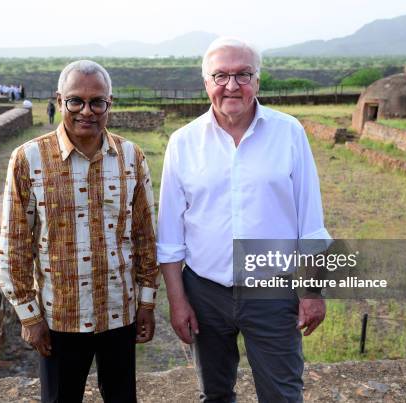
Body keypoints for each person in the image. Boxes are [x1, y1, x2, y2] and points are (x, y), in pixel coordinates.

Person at [157, 37, 331, 402]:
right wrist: (178, 301)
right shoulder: (183, 142)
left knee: (282, 394)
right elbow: (171, 236)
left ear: (258, 80)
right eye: (220, 76)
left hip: (272, 290)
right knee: (215, 394)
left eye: (243, 75)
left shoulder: (289, 133)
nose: (231, 86)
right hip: (204, 292)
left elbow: (310, 223)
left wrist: (312, 291)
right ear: (206, 82)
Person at [0, 60, 159, 403]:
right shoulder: (29, 159)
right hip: (60, 318)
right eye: (76, 101)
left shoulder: (131, 156)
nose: (87, 111)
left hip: (119, 311)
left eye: (97, 101)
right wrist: (29, 315)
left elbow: (146, 236)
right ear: (60, 101)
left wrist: (146, 303)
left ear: (109, 104)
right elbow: (14, 245)